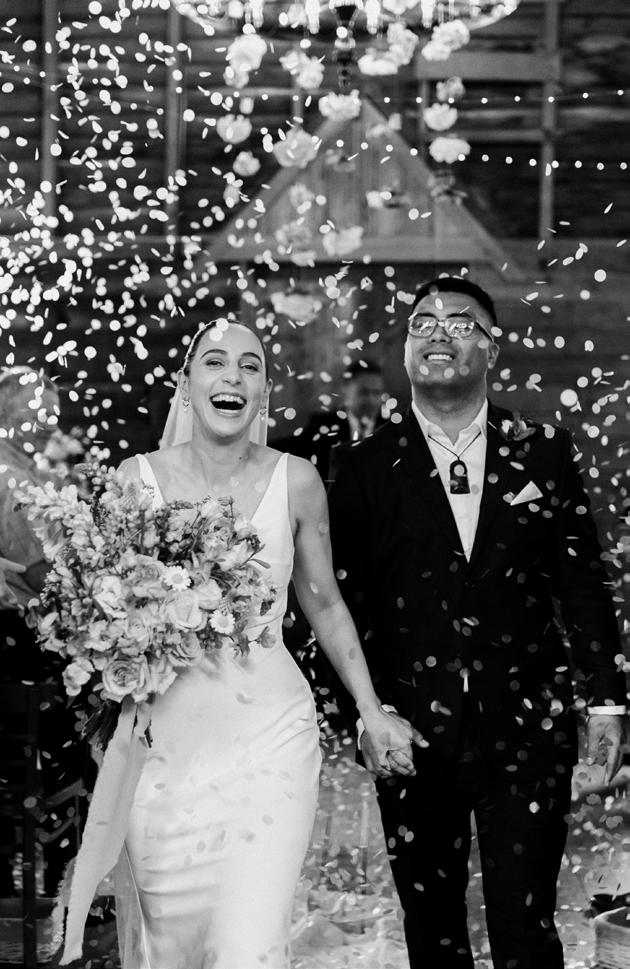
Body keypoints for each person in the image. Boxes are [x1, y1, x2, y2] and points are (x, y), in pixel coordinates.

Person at [61, 319, 417, 969]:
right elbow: (100, 605)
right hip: (165, 749)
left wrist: (371, 709)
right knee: (174, 946)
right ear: (186, 384)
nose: (233, 375)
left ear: (264, 391)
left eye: (250, 366)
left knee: (250, 943)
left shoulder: (298, 481)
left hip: (271, 740)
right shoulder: (135, 479)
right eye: (215, 362)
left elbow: (325, 603)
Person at [327, 275, 627, 969]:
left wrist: (607, 701)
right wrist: (367, 715)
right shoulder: (364, 466)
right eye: (422, 323)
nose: (439, 332)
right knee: (432, 933)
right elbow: (343, 603)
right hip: (411, 731)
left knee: (527, 930)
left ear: (492, 349)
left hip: (529, 727)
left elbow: (582, 583)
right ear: (406, 350)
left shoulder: (544, 450)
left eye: (460, 322)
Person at [0, 367, 89, 895]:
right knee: (76, 741)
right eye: (36, 411)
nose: (47, 423)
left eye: (51, 413)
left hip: (22, 636)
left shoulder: (24, 469)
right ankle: (61, 880)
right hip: (18, 641)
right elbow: (38, 573)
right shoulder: (8, 476)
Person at [286, 359, 386, 483]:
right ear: (346, 388)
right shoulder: (321, 426)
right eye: (363, 392)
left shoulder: (390, 430)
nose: (371, 400)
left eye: (376, 393)